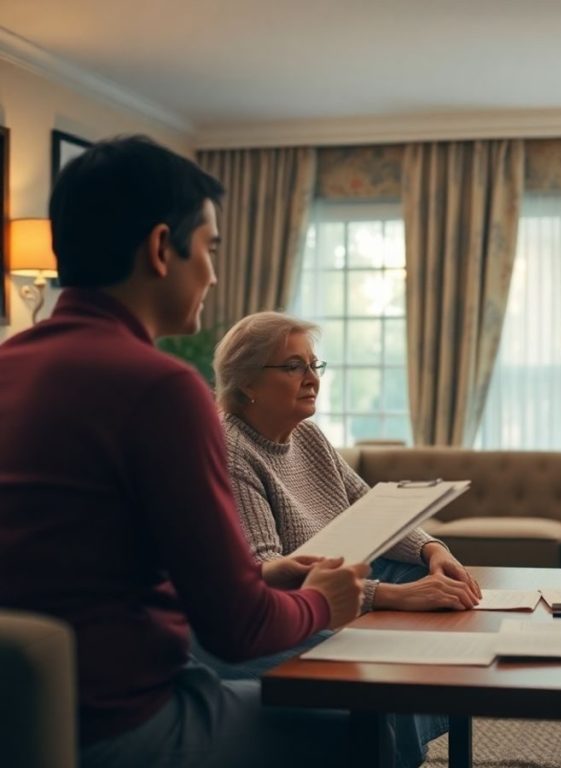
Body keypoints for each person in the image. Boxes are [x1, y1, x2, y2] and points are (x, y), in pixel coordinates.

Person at [0, 136, 370, 768]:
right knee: (364, 716)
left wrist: (262, 574)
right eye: (209, 249)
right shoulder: (161, 388)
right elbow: (238, 630)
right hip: (119, 723)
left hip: (20, 711)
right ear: (160, 249)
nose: (214, 274)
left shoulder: (10, 365)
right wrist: (322, 602)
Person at [202, 310, 483, 767]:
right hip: (284, 607)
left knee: (422, 572)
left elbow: (371, 506)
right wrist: (394, 596)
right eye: (294, 366)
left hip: (334, 584)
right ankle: (391, 749)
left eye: (315, 365)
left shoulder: (308, 436)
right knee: (395, 639)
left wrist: (434, 549)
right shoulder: (233, 450)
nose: (312, 377)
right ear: (247, 382)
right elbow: (267, 575)